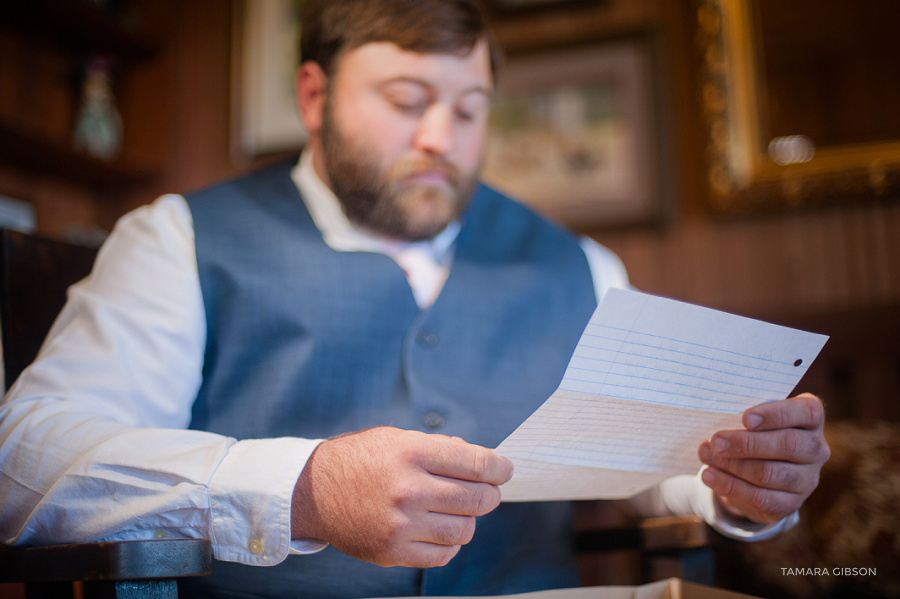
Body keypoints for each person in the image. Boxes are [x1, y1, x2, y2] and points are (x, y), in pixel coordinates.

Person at [0, 0, 829, 597]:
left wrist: (739, 489)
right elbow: (26, 466)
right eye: (407, 102)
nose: (443, 137)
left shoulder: (582, 267)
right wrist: (307, 489)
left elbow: (659, 470)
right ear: (315, 97)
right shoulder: (176, 237)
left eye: (470, 110)